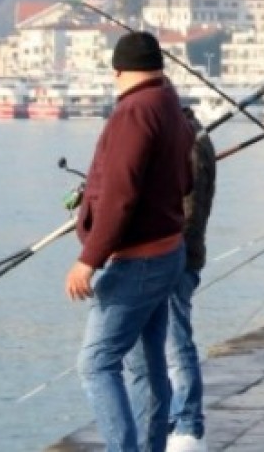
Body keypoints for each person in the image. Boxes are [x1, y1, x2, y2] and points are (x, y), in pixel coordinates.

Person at [67, 31, 193, 452]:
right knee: (146, 363)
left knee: (96, 363)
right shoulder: (169, 104)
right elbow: (184, 178)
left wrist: (88, 259)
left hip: (137, 262)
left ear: (117, 72)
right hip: (168, 251)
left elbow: (121, 194)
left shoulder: (134, 111)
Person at [130, 107, 216, 452]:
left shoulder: (189, 145)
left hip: (175, 258)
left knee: (176, 343)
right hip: (177, 254)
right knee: (166, 343)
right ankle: (172, 422)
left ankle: (188, 425)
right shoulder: (192, 139)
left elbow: (189, 211)